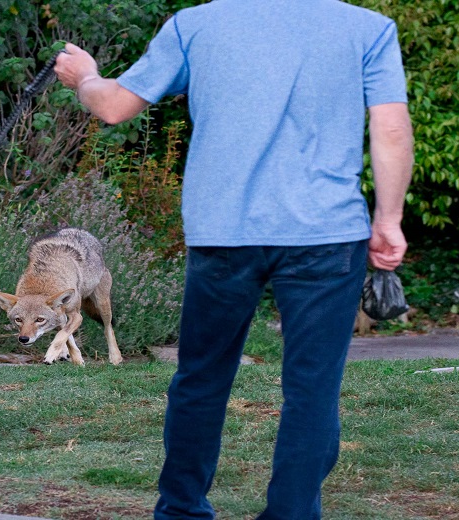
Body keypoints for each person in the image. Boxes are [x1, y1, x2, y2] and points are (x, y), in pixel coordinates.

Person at [54, 0, 414, 518]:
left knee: (201, 378)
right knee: (312, 390)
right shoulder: (368, 29)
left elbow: (113, 105)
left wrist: (86, 75)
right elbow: (392, 129)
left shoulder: (197, 24)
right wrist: (388, 219)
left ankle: (180, 510)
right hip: (327, 234)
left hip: (225, 232)